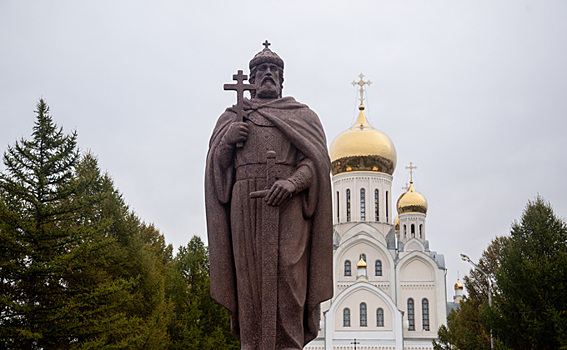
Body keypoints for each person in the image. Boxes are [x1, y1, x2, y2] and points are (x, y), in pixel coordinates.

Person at [205, 42, 333, 349]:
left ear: (282, 79)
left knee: (289, 278)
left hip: (288, 206)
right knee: (249, 280)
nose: (267, 75)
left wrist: (291, 183)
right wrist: (226, 143)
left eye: (274, 70)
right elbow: (215, 173)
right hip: (245, 207)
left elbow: (316, 163)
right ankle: (251, 344)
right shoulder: (232, 117)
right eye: (261, 70)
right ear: (249, 79)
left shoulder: (303, 116)